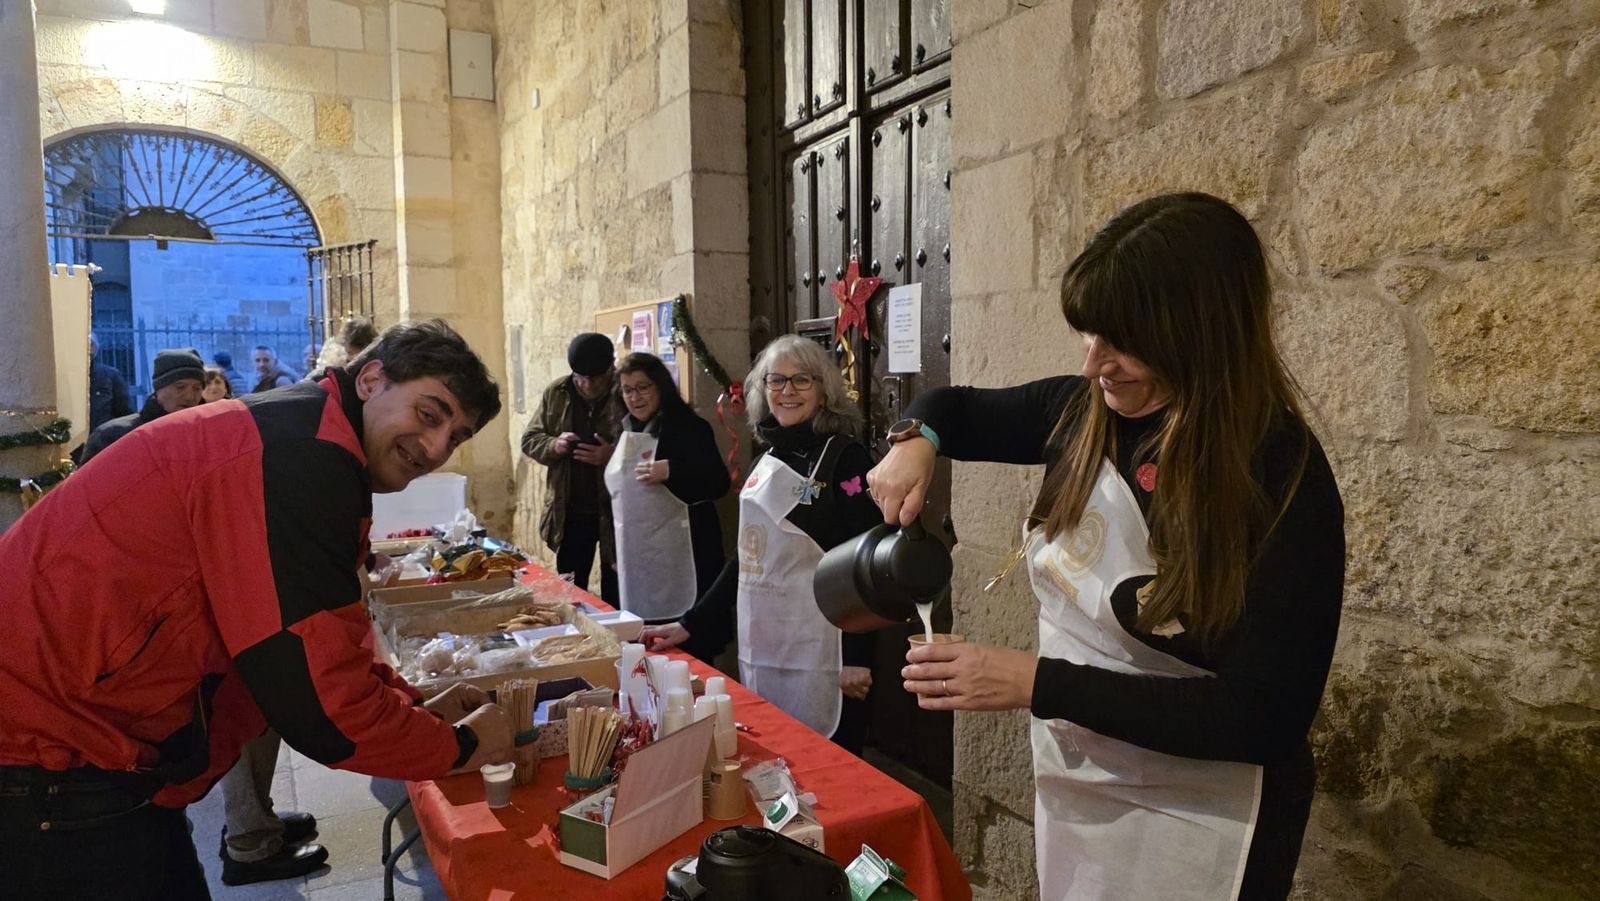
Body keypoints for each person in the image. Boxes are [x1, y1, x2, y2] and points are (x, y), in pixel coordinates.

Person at [869, 193, 1346, 899]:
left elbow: (1264, 715)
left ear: (1201, 334)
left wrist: (1033, 681)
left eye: (1123, 341)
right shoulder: (1079, 413)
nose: (1095, 365)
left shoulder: (1278, 473)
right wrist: (916, 442)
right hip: (1085, 771)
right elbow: (955, 409)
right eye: (1089, 335)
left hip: (1207, 807)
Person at [0, 320, 516, 899]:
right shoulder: (303, 458)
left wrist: (418, 705)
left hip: (83, 744)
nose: (436, 447)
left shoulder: (309, 436)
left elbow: (319, 634)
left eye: (456, 435)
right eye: (429, 414)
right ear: (372, 378)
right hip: (51, 755)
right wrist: (460, 747)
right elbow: (322, 710)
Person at [641, 336, 880, 754]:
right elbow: (747, 558)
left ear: (824, 389)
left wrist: (858, 655)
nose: (787, 391)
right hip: (766, 649)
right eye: (776, 380)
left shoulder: (846, 459)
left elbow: (865, 561)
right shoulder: (764, 460)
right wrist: (691, 622)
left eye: (801, 380)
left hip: (825, 652)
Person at [605, 352, 729, 662]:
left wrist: (672, 470)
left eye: (643, 387)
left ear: (661, 387)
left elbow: (718, 483)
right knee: (644, 644)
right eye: (627, 389)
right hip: (640, 557)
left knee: (691, 651)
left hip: (688, 553)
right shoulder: (625, 430)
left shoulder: (689, 427)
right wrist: (615, 550)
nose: (635, 397)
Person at [521, 332, 622, 602]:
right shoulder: (557, 392)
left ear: (610, 368)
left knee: (618, 592)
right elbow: (530, 439)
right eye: (580, 378)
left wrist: (612, 455)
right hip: (570, 510)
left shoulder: (626, 392)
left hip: (616, 511)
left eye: (594, 378)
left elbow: (648, 443)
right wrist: (556, 445)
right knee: (571, 592)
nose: (586, 385)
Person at [80, 347, 206, 464]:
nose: (189, 396)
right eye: (180, 387)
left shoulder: (207, 438)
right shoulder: (114, 436)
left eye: (197, 388)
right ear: (159, 388)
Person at [87, 332, 132, 431]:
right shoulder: (69, 377)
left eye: (90, 344)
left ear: (95, 348)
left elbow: (122, 409)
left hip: (104, 438)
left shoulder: (110, 375)